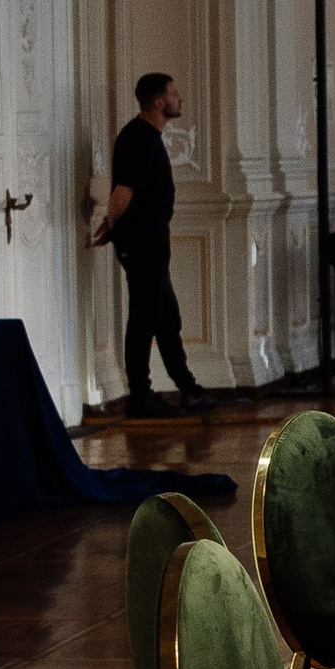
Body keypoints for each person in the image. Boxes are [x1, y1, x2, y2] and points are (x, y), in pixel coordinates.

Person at [93, 71, 208, 416]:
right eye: (173, 93)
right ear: (159, 102)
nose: (179, 98)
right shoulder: (139, 139)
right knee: (146, 317)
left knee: (165, 315)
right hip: (142, 243)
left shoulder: (146, 136)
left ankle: (188, 388)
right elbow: (123, 192)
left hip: (150, 241)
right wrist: (112, 225)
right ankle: (140, 395)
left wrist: (113, 225)